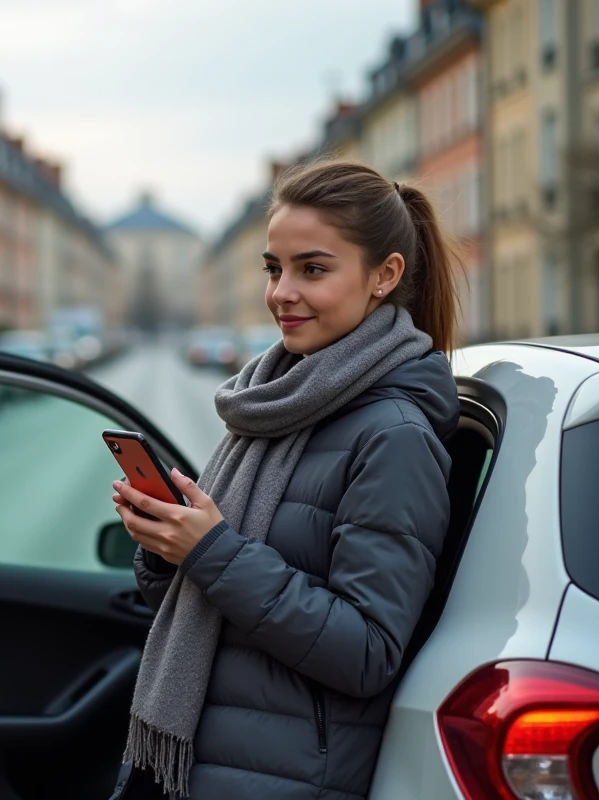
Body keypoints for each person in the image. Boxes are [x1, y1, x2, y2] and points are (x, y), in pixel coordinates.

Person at [108, 160, 463, 800]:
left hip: (284, 775)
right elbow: (231, 588)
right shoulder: (277, 401)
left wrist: (210, 551)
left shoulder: (394, 436)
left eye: (313, 269)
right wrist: (171, 547)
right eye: (274, 268)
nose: (281, 292)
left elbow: (367, 650)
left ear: (385, 276)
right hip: (218, 757)